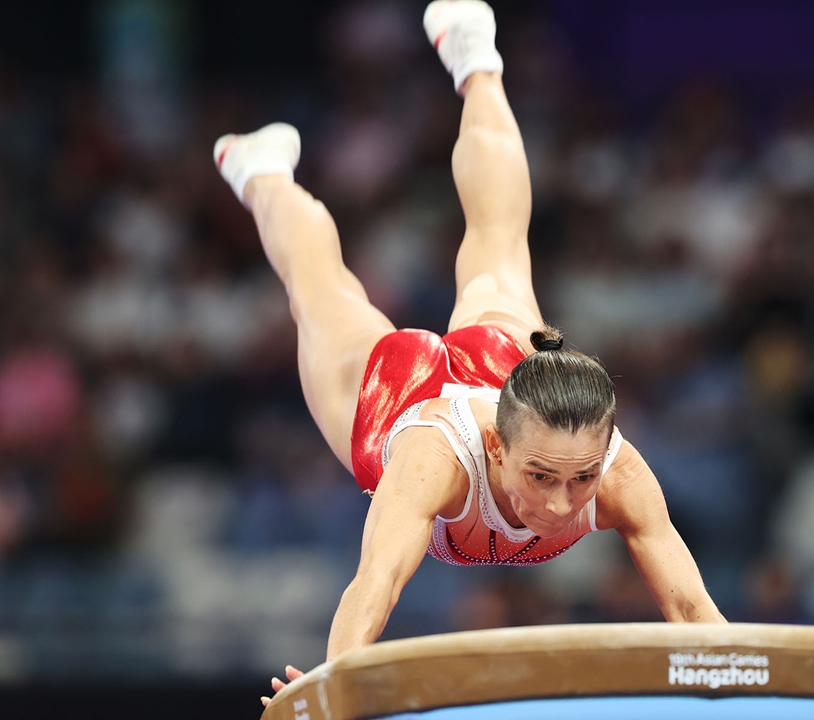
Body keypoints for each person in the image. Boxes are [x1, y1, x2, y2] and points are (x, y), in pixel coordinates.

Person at [212, 1, 726, 707]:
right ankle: (261, 171)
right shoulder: (433, 459)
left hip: (506, 359)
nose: (561, 502)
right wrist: (336, 687)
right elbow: (378, 581)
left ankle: (476, 62)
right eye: (543, 476)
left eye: (580, 481)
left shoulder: (618, 473)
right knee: (320, 290)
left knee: (501, 238)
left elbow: (697, 616)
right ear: (496, 444)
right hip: (399, 393)